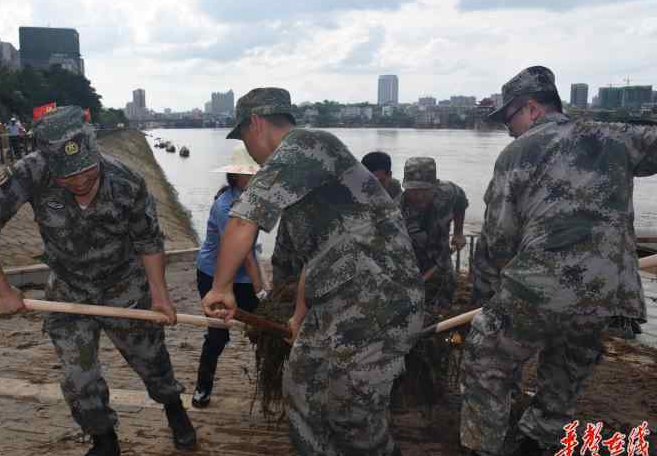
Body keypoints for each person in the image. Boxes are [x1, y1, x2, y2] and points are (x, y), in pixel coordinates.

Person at [0, 106, 196, 455]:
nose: (80, 182)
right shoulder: (29, 173)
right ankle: (104, 439)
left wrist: (160, 297)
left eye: (87, 171)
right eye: (67, 177)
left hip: (124, 288)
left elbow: (149, 242)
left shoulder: (127, 180)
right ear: (48, 163)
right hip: (69, 291)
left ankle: (174, 409)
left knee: (151, 360)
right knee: (78, 377)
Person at [201, 88, 423, 456]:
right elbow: (315, 256)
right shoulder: (303, 177)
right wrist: (299, 317)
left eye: (243, 138)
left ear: (255, 124)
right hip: (339, 300)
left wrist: (220, 287)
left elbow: (243, 221)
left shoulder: (307, 146)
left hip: (381, 303)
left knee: (354, 416)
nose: (250, 151)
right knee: (301, 387)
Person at [460, 66, 657, 456]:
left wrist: (493, 292)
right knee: (566, 369)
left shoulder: (516, 154)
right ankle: (540, 439)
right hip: (608, 292)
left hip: (541, 285)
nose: (508, 129)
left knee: (487, 359)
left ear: (531, 109)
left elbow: (499, 239)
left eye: (508, 118)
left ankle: (483, 448)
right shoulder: (617, 136)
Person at [192, 145, 266, 409]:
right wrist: (262, 292)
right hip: (215, 276)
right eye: (250, 174)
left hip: (244, 275)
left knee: (265, 330)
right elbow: (243, 253)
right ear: (236, 177)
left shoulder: (255, 200)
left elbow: (251, 255)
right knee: (218, 334)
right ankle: (202, 387)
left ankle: (271, 385)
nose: (256, 178)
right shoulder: (227, 206)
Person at [400, 157, 468, 307]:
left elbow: (461, 202)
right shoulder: (396, 210)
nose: (419, 196)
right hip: (411, 267)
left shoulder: (449, 192)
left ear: (436, 185)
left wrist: (458, 232)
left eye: (425, 190)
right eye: (413, 190)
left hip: (442, 260)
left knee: (444, 304)